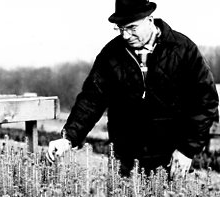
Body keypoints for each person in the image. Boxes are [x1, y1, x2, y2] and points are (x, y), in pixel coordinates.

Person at [47, 0, 219, 178]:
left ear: (149, 20)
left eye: (132, 28)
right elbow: (91, 99)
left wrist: (187, 150)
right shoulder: (111, 54)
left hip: (172, 159)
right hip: (126, 161)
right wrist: (68, 138)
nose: (126, 35)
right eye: (120, 28)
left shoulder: (183, 50)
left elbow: (206, 101)